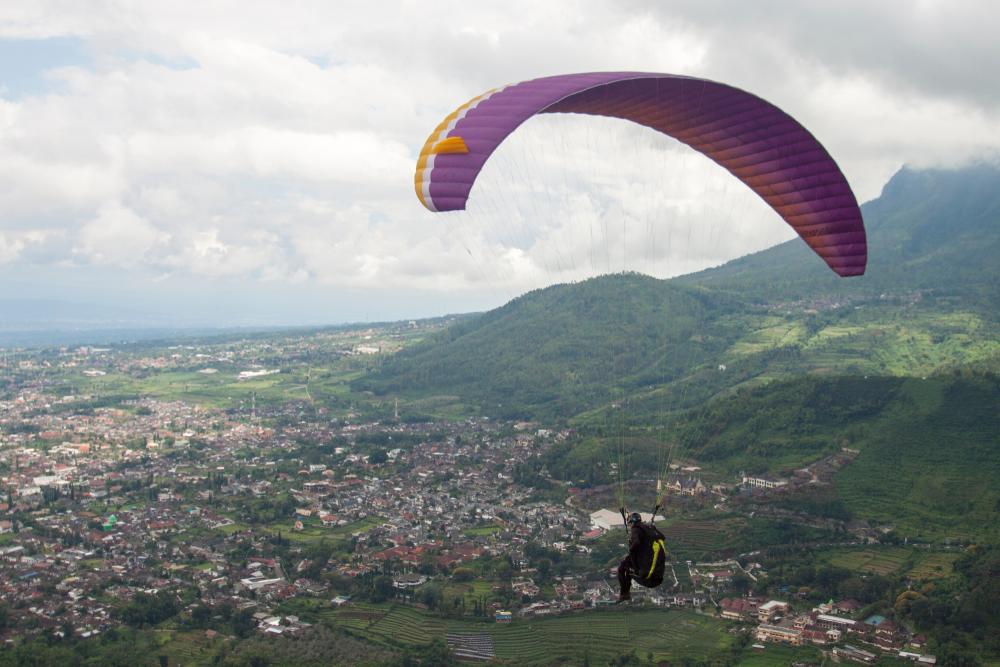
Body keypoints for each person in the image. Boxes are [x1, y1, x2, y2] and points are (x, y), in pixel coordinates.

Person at [617, 511, 667, 602]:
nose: (630, 526)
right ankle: (625, 594)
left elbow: (636, 543)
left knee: (622, 568)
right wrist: (654, 528)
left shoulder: (636, 529)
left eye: (630, 524)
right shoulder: (649, 529)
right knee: (626, 565)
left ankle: (624, 594)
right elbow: (662, 537)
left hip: (648, 579)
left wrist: (631, 550)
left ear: (632, 522)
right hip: (658, 577)